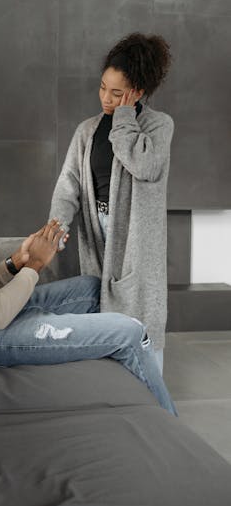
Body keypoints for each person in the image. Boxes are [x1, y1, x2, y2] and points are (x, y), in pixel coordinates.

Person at [0, 140, 176, 415]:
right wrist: (34, 265)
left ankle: (121, 391)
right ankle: (167, 423)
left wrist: (15, 262)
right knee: (129, 332)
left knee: (92, 289)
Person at [50, 32, 173, 372]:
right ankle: (111, 394)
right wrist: (57, 224)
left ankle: (151, 400)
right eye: (103, 87)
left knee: (140, 318)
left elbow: (144, 165)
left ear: (138, 92)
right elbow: (68, 184)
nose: (106, 97)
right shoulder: (87, 130)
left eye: (117, 92)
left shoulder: (158, 125)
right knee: (102, 314)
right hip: (97, 230)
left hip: (135, 238)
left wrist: (123, 117)